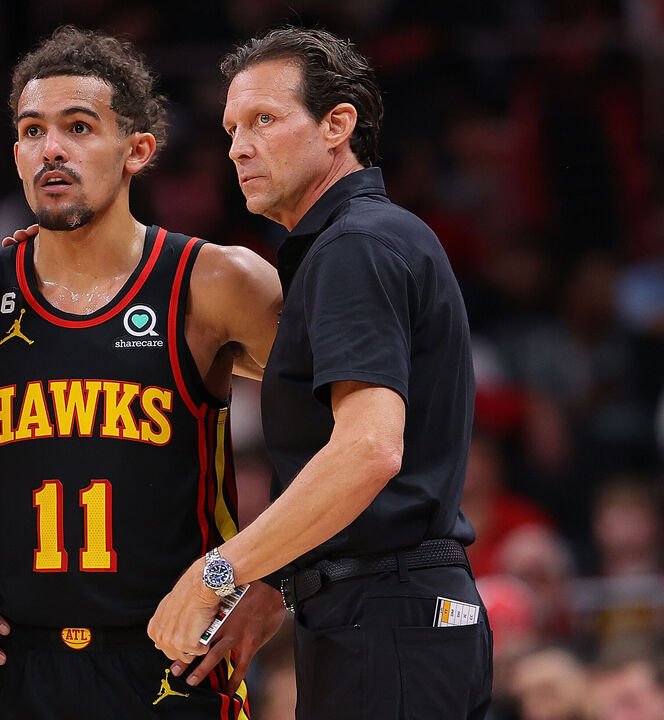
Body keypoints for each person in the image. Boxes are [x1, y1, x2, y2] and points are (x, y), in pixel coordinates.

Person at [0, 27, 283, 720]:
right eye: (31, 130)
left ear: (138, 150)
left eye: (78, 127)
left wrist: (277, 580)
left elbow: (335, 436)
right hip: (17, 665)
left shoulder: (217, 283)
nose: (51, 148)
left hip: (174, 662)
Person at [149, 26, 493, 719]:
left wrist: (217, 573)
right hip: (401, 616)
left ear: (338, 125)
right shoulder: (368, 239)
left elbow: (370, 451)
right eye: (231, 128)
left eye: (264, 121)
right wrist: (271, 588)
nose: (240, 146)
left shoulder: (354, 247)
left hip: (386, 618)